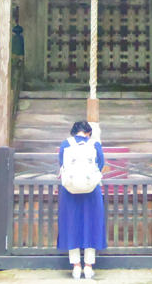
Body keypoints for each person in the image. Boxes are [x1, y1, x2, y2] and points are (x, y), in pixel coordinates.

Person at [57, 120, 106, 280]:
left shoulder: (65, 144)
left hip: (70, 190)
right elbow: (101, 165)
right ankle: (89, 266)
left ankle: (76, 267)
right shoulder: (95, 144)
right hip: (91, 190)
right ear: (88, 132)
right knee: (91, 225)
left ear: (74, 132)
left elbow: (61, 165)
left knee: (72, 224)